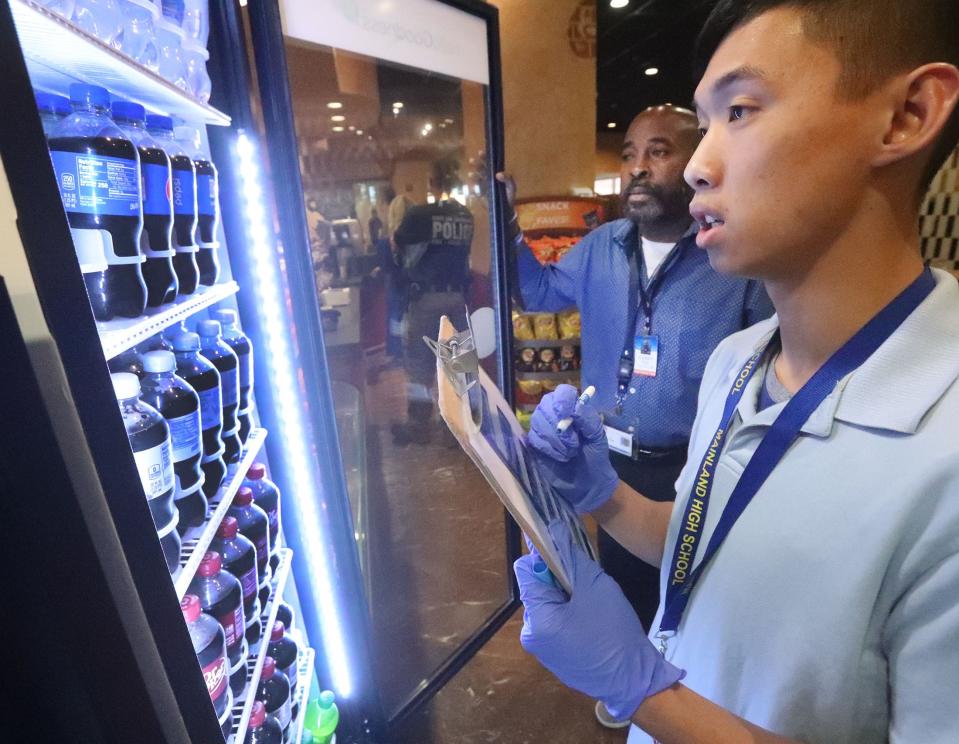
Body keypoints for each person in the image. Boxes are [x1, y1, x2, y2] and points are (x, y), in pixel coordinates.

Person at [516, 1, 959, 742]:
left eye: (741, 110)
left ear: (905, 116)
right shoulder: (738, 359)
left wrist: (641, 691)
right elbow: (706, 544)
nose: (695, 165)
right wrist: (607, 498)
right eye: (705, 120)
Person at [503, 105, 772, 646]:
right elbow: (539, 291)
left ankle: (680, 682)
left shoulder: (727, 252)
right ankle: (638, 683)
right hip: (611, 458)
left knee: (688, 586)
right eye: (629, 155)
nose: (638, 168)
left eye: (658, 151)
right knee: (624, 578)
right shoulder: (604, 244)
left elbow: (766, 360)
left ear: (695, 157)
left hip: (694, 464)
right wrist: (506, 227)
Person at [390, 166, 474, 446]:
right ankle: (460, 426)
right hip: (457, 297)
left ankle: (419, 426)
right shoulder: (466, 216)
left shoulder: (419, 215)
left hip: (427, 297)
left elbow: (399, 245)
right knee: (457, 363)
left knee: (419, 365)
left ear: (431, 181)